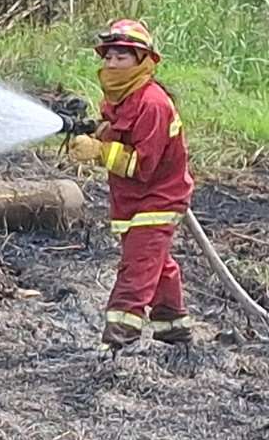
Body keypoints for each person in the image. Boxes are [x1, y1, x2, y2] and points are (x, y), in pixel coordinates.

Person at [66, 18, 196, 354]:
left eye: (121, 57)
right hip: (134, 201)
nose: (111, 63)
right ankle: (174, 330)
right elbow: (120, 132)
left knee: (137, 269)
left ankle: (118, 344)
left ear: (143, 60)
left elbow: (142, 165)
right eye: (107, 56)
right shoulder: (123, 97)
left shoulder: (152, 104)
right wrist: (97, 132)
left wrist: (98, 152)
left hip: (158, 199)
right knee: (157, 265)